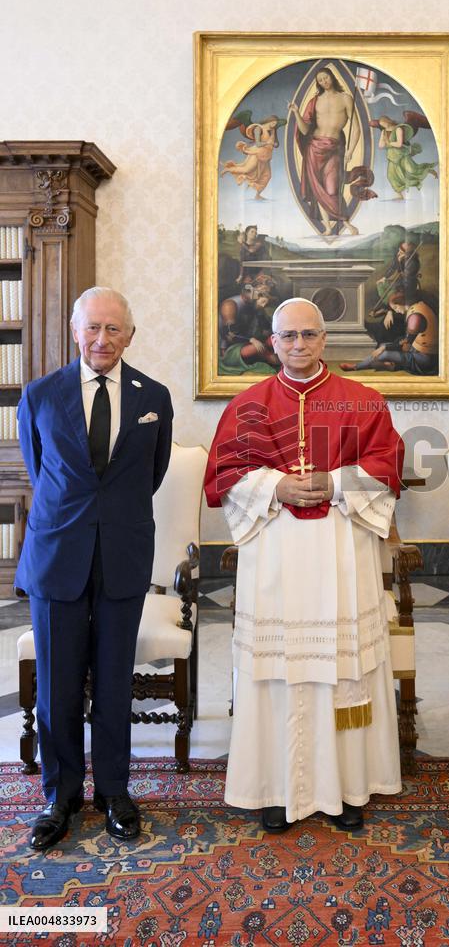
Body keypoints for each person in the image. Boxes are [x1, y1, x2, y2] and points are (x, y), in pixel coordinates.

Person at [205, 297, 404, 833]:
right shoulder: (247, 405)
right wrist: (276, 484)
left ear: (324, 340)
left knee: (342, 667)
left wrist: (336, 482)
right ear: (272, 343)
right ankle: (276, 789)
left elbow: (388, 463)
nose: (298, 345)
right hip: (276, 551)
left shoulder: (361, 402)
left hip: (341, 549)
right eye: (287, 336)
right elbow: (224, 473)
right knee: (278, 668)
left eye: (308, 335)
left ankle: (347, 789)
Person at [16, 287, 173, 849]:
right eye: (92, 328)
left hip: (124, 556)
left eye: (113, 329)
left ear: (130, 334)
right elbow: (42, 472)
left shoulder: (153, 395)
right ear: (75, 331)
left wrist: (111, 519)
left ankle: (114, 791)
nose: (102, 339)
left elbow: (150, 476)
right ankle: (61, 796)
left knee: (112, 684)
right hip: (58, 554)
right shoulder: (39, 395)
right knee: (57, 685)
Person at [289, 67, 360, 236]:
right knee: (318, 189)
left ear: (332, 77)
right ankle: (328, 227)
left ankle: (347, 224)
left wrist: (350, 150)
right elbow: (305, 130)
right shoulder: (315, 101)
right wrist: (297, 113)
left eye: (326, 78)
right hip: (314, 147)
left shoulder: (346, 98)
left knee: (332, 189)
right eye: (320, 80)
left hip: (334, 148)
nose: (324, 82)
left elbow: (356, 128)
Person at [342, 294, 438, 375]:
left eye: (396, 307)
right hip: (419, 351)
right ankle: (391, 365)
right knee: (382, 347)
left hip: (423, 360)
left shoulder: (414, 319)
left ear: (402, 302)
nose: (396, 311)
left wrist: (384, 348)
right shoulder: (418, 306)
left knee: (384, 354)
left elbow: (406, 347)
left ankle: (356, 367)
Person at [221, 116, 283, 199]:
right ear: (269, 121)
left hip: (266, 156)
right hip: (257, 153)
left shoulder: (272, 131)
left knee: (267, 175)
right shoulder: (258, 128)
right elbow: (258, 144)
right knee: (246, 169)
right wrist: (268, 143)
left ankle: (258, 195)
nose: (274, 125)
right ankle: (228, 169)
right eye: (273, 122)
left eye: (275, 124)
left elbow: (275, 144)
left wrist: (273, 136)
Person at [376, 114, 438, 199]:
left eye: (385, 124)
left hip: (402, 154)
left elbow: (399, 144)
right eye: (382, 125)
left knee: (412, 170)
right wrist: (384, 142)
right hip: (392, 156)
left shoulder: (398, 129)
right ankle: (400, 195)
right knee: (391, 176)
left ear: (388, 121)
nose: (384, 126)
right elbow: (380, 145)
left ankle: (428, 170)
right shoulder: (384, 132)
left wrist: (388, 143)